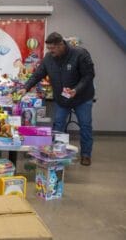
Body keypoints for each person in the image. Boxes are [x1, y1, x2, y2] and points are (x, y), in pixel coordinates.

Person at [18, 32, 95, 166]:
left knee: (85, 125)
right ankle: (58, 153)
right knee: (58, 124)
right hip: (62, 99)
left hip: (82, 97)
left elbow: (89, 75)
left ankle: (86, 154)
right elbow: (38, 75)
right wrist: (26, 87)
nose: (50, 51)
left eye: (53, 48)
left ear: (61, 45)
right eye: (49, 48)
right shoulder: (49, 58)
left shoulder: (80, 54)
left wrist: (76, 90)